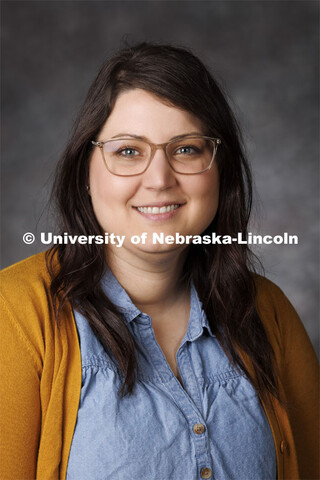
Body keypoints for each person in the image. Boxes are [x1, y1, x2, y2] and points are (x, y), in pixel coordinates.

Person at [0, 43, 318, 480]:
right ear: (86, 173)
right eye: (128, 151)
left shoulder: (270, 311)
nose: (159, 179)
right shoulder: (13, 314)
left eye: (186, 149)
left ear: (219, 171)